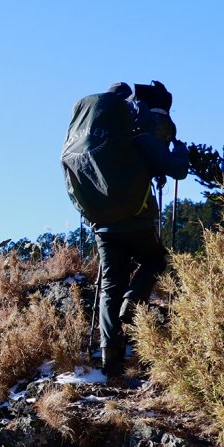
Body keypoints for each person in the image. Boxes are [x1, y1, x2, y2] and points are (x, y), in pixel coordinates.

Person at [93, 81, 189, 376]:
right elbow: (177, 170)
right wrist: (180, 150)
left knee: (111, 284)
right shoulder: (140, 137)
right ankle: (132, 303)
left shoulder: (99, 140)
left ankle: (110, 357)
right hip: (137, 219)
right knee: (156, 259)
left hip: (103, 224)